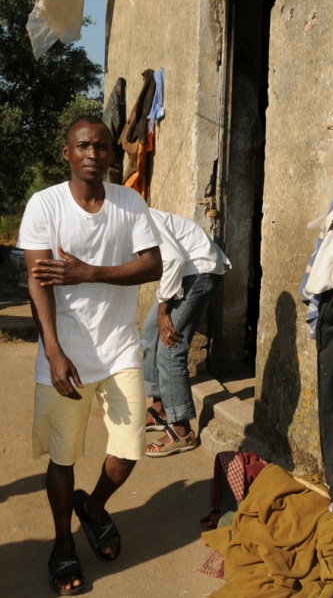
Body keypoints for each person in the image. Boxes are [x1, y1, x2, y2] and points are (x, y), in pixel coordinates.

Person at [17, 116, 162, 596]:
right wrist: (53, 351)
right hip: (66, 355)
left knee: (128, 450)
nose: (93, 153)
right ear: (66, 153)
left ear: (110, 155)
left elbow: (152, 264)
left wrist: (90, 273)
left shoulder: (130, 202)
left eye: (102, 146)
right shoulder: (46, 205)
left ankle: (95, 507)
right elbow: (38, 280)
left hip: (119, 349)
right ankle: (62, 545)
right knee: (63, 456)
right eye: (83, 145)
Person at [141, 208, 231, 457]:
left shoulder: (135, 218)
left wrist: (163, 310)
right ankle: (160, 409)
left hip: (199, 269)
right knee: (149, 335)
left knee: (171, 348)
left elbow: (173, 260)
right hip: (185, 272)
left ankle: (182, 430)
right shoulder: (118, 224)